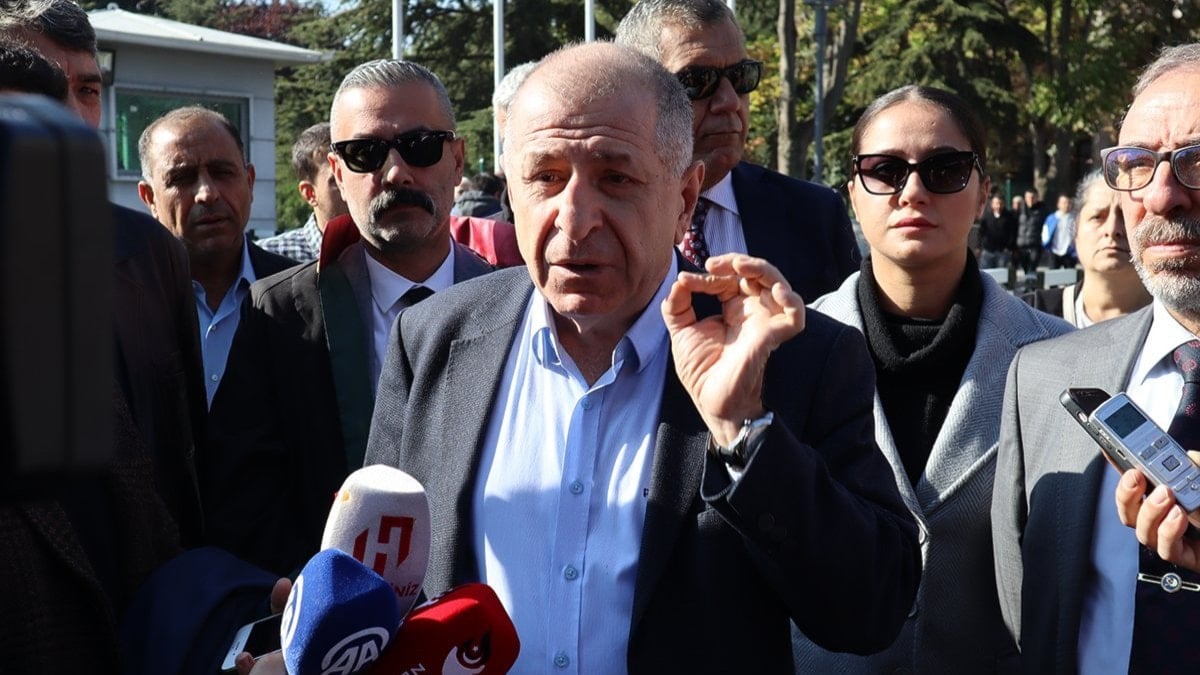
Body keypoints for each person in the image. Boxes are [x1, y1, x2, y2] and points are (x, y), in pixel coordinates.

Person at [364, 41, 920, 672]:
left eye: (616, 178)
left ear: (685, 196)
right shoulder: (433, 340)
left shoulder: (793, 358)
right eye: (545, 178)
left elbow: (873, 610)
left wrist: (745, 433)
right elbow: (381, 577)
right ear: (510, 190)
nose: (575, 219)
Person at [795, 85, 1071, 673]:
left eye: (945, 168)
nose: (913, 191)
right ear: (853, 191)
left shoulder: (1061, 356)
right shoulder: (786, 348)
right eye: (885, 170)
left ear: (984, 191)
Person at [203, 59, 495, 577]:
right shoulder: (280, 316)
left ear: (457, 159)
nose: (396, 172)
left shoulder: (513, 303)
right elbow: (244, 504)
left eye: (420, 146)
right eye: (366, 153)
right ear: (337, 173)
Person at [992, 43, 1200, 673]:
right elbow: (1022, 619)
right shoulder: (1044, 376)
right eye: (1136, 163)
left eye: (1196, 161)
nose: (1161, 197)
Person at [615, 0, 860, 302]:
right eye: (697, 81)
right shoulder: (594, 218)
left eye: (741, 76)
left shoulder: (815, 215)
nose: (729, 101)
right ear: (633, 91)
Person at [137, 107, 297, 406]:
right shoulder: (120, 303)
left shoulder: (304, 296)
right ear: (150, 198)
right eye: (181, 178)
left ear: (249, 182)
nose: (207, 194)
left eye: (223, 172)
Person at [1022, 170, 1151, 327]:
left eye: (1125, 216)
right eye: (1097, 217)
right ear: (1075, 231)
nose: (1112, 229)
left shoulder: (1175, 323)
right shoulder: (1031, 317)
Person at [257, 122, 348, 263]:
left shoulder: (380, 255)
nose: (350, 189)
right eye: (336, 181)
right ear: (310, 193)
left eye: (353, 176)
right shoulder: (268, 258)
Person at [1015, 187, 1048, 276]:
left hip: (1035, 244)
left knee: (1032, 267)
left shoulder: (1043, 210)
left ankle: (1031, 283)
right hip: (1021, 244)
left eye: (1033, 197)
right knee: (1024, 267)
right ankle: (1027, 282)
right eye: (1028, 197)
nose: (1030, 200)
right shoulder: (1020, 209)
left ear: (1037, 197)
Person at [979, 194, 1018, 268]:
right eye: (997, 203)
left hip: (1003, 251)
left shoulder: (1009, 217)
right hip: (988, 250)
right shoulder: (986, 217)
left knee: (1001, 273)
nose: (999, 206)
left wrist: (1009, 247)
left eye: (1001, 203)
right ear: (992, 204)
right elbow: (981, 232)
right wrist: (980, 245)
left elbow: (1013, 233)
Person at [1041, 193, 1077, 268]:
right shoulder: (1051, 218)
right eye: (1064, 203)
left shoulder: (1075, 219)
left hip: (1069, 252)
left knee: (1070, 273)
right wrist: (1046, 244)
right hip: (1054, 251)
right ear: (1058, 204)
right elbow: (1045, 233)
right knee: (1053, 274)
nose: (1066, 205)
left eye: (1069, 203)